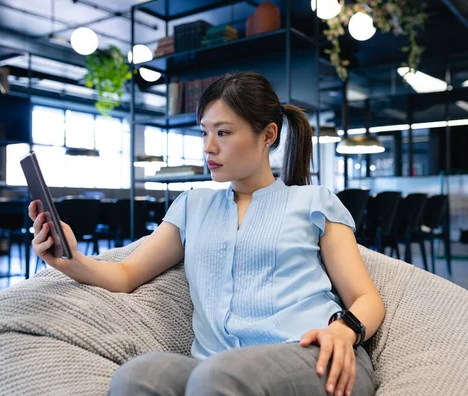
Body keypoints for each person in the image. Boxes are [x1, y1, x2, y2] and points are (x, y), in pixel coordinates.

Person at [28, 72, 385, 396]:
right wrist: (69, 260)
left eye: (223, 133)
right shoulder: (192, 205)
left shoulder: (314, 201)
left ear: (268, 135)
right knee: (137, 376)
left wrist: (343, 331)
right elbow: (125, 274)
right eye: (204, 131)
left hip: (315, 357)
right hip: (214, 367)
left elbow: (366, 298)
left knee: (219, 377)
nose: (208, 147)